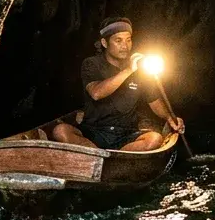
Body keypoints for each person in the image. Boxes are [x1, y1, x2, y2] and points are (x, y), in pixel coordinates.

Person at [50, 17, 185, 150]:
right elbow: (96, 93)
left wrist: (171, 117)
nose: (125, 46)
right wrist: (129, 70)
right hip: (93, 131)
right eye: (118, 41)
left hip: (126, 133)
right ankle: (100, 154)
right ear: (104, 43)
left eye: (128, 40)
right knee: (60, 131)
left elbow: (154, 101)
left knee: (154, 139)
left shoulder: (140, 69)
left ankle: (115, 156)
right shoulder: (92, 64)